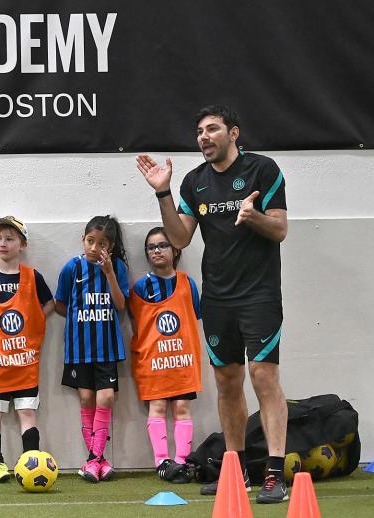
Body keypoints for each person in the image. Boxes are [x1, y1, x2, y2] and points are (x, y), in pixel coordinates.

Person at [136, 104, 289, 503]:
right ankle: (235, 472)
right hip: (218, 298)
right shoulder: (194, 182)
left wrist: (252, 216)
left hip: (259, 295)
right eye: (199, 131)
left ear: (233, 133)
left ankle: (275, 473)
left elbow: (280, 228)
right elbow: (180, 239)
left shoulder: (263, 170)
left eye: (213, 129)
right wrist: (163, 192)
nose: (204, 136)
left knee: (263, 377)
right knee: (226, 381)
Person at [0, 216, 56, 483]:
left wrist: (31, 325)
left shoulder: (32, 277)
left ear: (22, 244)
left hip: (25, 361)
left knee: (27, 413)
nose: (3, 243)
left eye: (10, 238)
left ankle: (30, 463)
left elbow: (48, 306)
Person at [54, 215, 129, 483]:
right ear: (83, 239)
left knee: (106, 398)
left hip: (106, 347)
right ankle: (99, 460)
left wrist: (109, 273)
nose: (95, 247)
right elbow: (60, 304)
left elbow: (121, 305)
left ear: (110, 247)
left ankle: (92, 460)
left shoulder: (117, 267)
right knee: (86, 399)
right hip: (78, 348)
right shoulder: (71, 268)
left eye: (102, 243)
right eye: (90, 241)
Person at [128, 227, 203, 484]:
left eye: (163, 245)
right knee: (157, 407)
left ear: (175, 250)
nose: (157, 250)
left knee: (182, 407)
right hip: (153, 360)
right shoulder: (141, 287)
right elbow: (136, 321)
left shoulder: (187, 283)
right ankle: (162, 461)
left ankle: (181, 462)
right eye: (151, 247)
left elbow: (195, 317)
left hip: (181, 360)